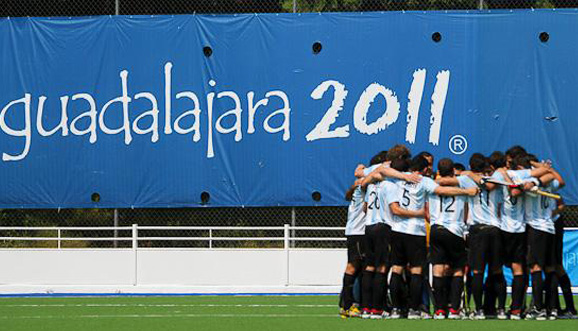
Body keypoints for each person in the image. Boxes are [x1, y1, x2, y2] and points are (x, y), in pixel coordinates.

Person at [381, 155, 478, 320]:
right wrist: (466, 191)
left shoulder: (396, 179)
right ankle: (426, 310)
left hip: (404, 229)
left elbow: (381, 170)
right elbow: (444, 188)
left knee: (399, 269)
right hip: (426, 230)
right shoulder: (427, 182)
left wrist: (403, 175)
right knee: (437, 270)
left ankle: (401, 309)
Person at [359, 156, 420, 319]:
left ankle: (366, 307)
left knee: (369, 267)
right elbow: (394, 209)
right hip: (383, 227)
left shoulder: (372, 184)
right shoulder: (392, 185)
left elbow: (364, 208)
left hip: (369, 226)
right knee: (382, 268)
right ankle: (378, 309)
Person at [494, 154, 551, 319]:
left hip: (505, 228)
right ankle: (516, 309)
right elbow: (546, 172)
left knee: (498, 267)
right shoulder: (521, 174)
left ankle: (501, 309)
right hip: (518, 230)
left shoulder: (505, 174)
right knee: (517, 269)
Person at [458, 153, 504, 320]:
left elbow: (446, 181)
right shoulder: (496, 180)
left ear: (470, 166)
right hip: (495, 228)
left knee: (477, 271)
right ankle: (500, 309)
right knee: (496, 270)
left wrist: (465, 174)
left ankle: (478, 310)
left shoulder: (466, 180)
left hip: (477, 230)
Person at [519, 155, 565, 320]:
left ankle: (539, 308)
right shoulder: (547, 181)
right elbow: (559, 180)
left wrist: (533, 182)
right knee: (550, 268)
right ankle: (551, 308)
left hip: (537, 228)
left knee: (536, 268)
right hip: (549, 229)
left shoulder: (532, 183)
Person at [429, 158, 470, 319]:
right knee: (458, 269)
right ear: (453, 170)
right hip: (455, 229)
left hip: (436, 228)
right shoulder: (463, 183)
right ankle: (454, 309)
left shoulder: (431, 184)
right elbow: (466, 210)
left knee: (438, 269)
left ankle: (439, 310)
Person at [339, 177, 366, 318]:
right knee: (353, 267)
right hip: (358, 233)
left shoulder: (357, 191)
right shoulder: (362, 189)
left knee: (357, 268)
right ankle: (348, 305)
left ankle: (347, 304)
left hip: (355, 233)